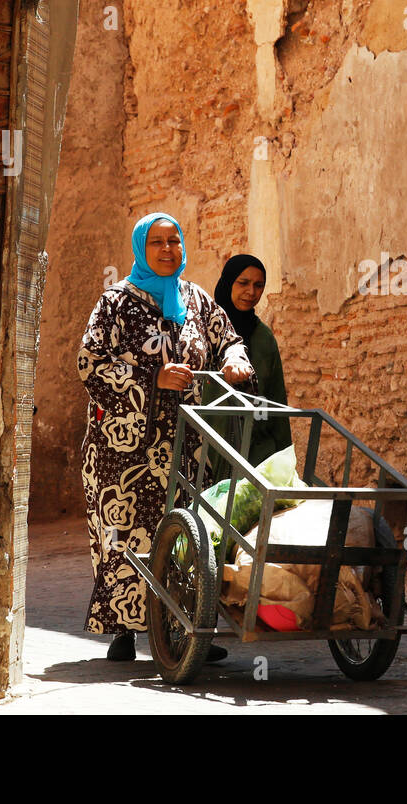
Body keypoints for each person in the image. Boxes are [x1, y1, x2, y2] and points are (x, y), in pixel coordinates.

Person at [77, 213, 253, 662]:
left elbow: (227, 338)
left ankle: (187, 629)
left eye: (174, 241)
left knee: (186, 534)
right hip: (124, 448)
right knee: (125, 533)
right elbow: (89, 364)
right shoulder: (115, 302)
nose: (167, 250)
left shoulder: (195, 298)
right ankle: (124, 631)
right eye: (157, 243)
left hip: (186, 444)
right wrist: (153, 376)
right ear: (141, 248)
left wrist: (235, 359)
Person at [205, 254, 293, 471]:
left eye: (258, 285)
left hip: (257, 452)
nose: (251, 292)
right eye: (243, 283)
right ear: (228, 283)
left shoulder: (263, 337)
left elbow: (275, 398)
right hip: (209, 449)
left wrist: (285, 459)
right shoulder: (205, 331)